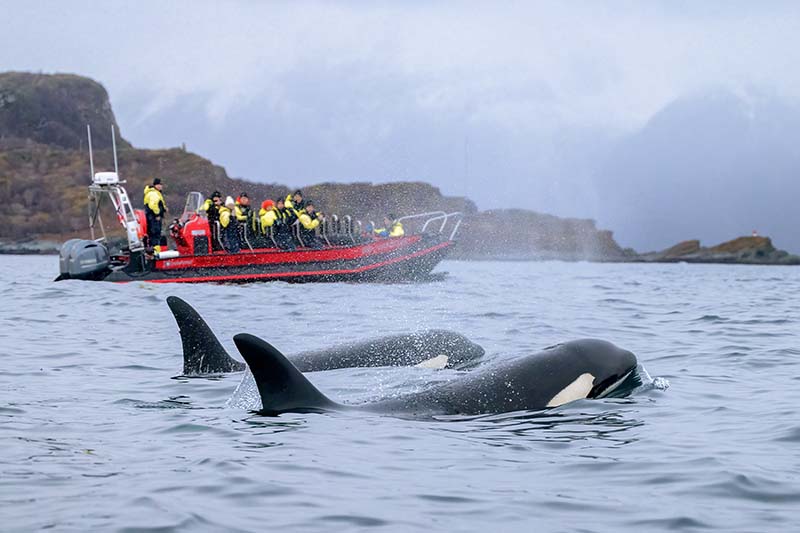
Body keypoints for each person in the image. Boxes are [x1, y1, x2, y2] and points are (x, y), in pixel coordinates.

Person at [143, 178, 167, 247]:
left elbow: (158, 204)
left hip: (151, 218)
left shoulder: (153, 193)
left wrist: (164, 208)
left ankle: (152, 250)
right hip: (153, 218)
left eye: (161, 184)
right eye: (158, 184)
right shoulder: (154, 194)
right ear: (155, 185)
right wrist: (157, 214)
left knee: (153, 235)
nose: (160, 186)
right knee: (155, 235)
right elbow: (153, 205)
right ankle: (156, 253)